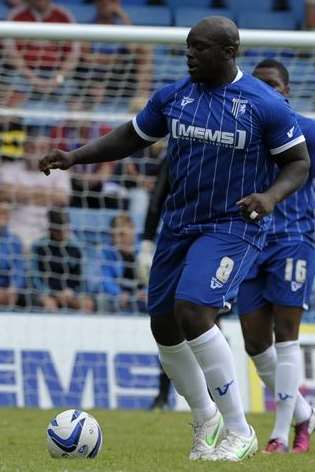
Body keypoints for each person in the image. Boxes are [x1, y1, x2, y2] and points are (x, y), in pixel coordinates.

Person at [39, 16, 310, 462]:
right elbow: (130, 136)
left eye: (199, 48)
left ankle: (239, 431)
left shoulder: (264, 104)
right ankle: (206, 417)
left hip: (233, 225)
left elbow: (297, 163)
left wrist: (270, 196)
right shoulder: (175, 96)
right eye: (187, 46)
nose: (189, 54)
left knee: (194, 309)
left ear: (228, 52)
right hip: (179, 223)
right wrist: (74, 157)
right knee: (164, 326)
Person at [238, 59, 315, 454]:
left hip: (293, 240)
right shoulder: (245, 132)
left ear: (286, 89)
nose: (267, 90)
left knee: (286, 337)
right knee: (254, 343)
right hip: (250, 242)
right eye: (260, 84)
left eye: (273, 84)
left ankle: (281, 435)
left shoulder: (308, 131)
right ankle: (305, 413)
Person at [0, 133, 70, 249]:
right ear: (24, 149)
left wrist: (19, 192)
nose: (36, 152)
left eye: (42, 148)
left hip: (49, 229)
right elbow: (4, 194)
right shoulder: (9, 168)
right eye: (32, 147)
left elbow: (62, 198)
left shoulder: (60, 171)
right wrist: (45, 192)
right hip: (15, 227)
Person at [5, 0, 80, 104]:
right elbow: (12, 55)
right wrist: (33, 79)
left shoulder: (64, 16)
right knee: (10, 95)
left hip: (57, 75)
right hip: (24, 75)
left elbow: (73, 56)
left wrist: (57, 79)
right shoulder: (16, 16)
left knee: (76, 98)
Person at [31, 208, 95, 313]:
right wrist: (51, 293)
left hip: (70, 294)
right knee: (49, 304)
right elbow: (35, 277)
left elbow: (81, 277)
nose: (62, 233)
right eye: (58, 230)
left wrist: (72, 292)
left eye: (65, 229)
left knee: (87, 304)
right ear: (51, 229)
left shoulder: (76, 248)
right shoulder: (39, 247)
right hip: (47, 293)